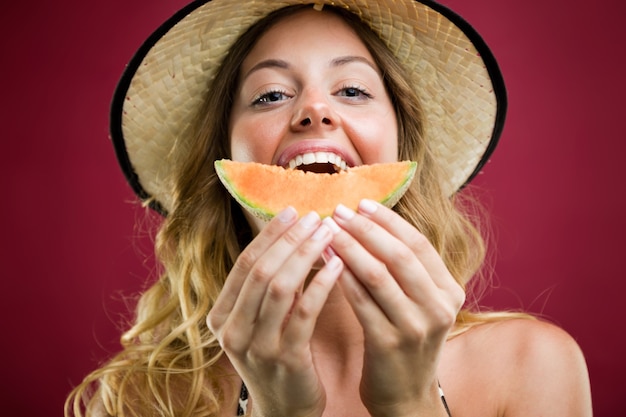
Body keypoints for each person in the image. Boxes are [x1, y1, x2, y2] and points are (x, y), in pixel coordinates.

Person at [66, 1, 592, 416]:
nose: (315, 109)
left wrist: (410, 405)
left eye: (353, 89)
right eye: (270, 95)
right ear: (222, 161)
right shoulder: (145, 398)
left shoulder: (535, 366)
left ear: (400, 148)